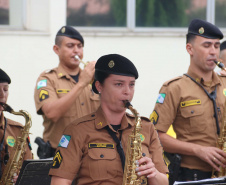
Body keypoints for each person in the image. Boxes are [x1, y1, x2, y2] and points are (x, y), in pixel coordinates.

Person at [49, 54, 169, 185]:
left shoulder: (146, 127)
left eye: (132, 85)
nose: (127, 91)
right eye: (119, 84)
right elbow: (59, 182)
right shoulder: (77, 130)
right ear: (99, 86)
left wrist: (153, 173)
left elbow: (164, 181)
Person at [150, 18, 226, 182]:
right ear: (189, 49)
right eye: (206, 45)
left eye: (216, 46)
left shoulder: (225, 83)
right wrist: (198, 150)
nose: (213, 51)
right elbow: (155, 134)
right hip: (192, 175)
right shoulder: (174, 88)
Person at [34, 26, 100, 158]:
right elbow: (52, 113)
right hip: (60, 154)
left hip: (91, 153)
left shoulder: (94, 79)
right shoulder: (47, 79)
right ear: (56, 49)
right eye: (70, 46)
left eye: (80, 46)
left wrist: (104, 80)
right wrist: (81, 84)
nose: (76, 51)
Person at [0, 68, 33, 183]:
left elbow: (30, 170)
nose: (2, 95)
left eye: (5, 89)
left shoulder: (17, 130)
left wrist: (22, 178)